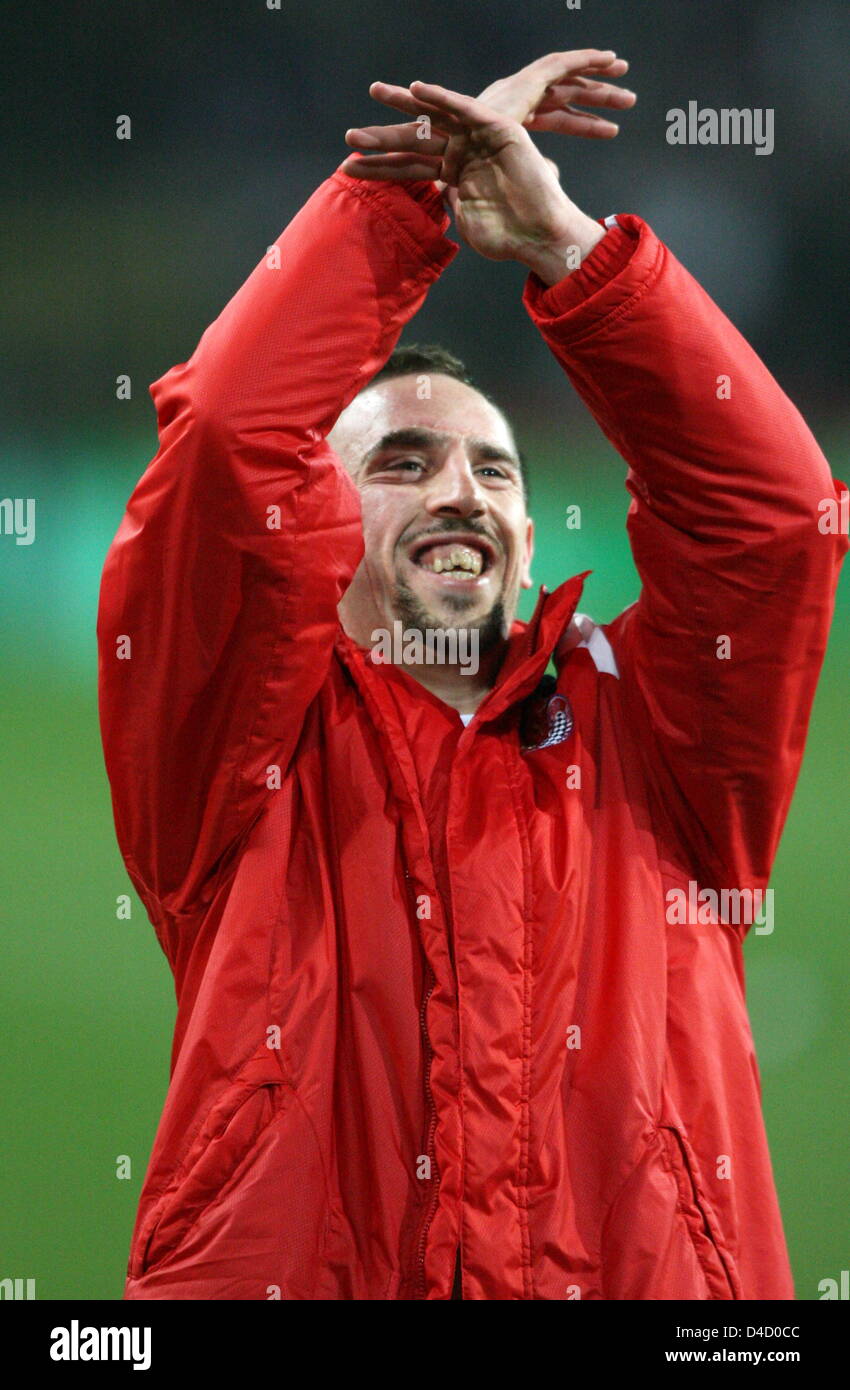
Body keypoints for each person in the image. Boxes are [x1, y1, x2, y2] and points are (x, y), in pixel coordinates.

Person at [97, 50, 847, 1300]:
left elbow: (775, 517)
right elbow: (227, 439)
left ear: (532, 533)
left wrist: (566, 242)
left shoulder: (659, 738)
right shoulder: (236, 748)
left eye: (492, 470)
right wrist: (395, 212)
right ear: (316, 517)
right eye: (400, 462)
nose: (459, 492)